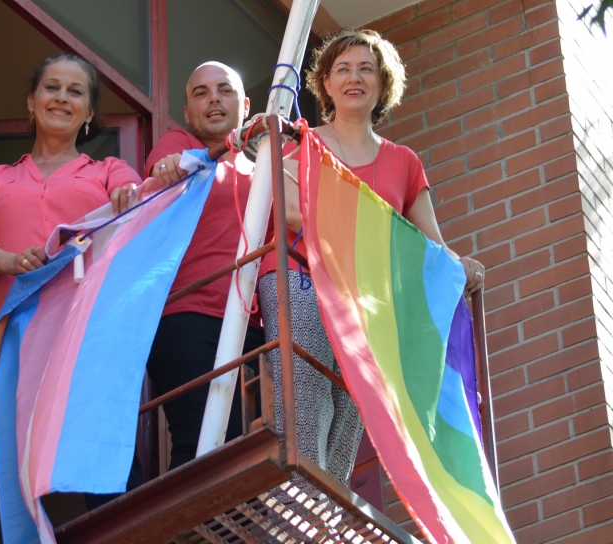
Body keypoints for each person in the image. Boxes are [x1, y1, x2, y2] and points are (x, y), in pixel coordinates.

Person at [258, 29, 486, 487]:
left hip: (368, 298)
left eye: (366, 69)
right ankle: (299, 507)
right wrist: (376, 233)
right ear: (324, 84)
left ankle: (323, 518)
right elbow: (288, 212)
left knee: (352, 410)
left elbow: (430, 243)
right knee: (306, 393)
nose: (354, 78)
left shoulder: (403, 161)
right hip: (305, 278)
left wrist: (459, 266)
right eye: (342, 69)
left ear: (383, 84)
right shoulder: (297, 145)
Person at [0, 53, 142, 543]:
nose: (62, 97)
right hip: (3, 318)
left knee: (94, 430)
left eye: (75, 92)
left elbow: (135, 204)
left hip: (78, 325)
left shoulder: (108, 170)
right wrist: (13, 261)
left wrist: (131, 198)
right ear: (31, 102)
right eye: (52, 88)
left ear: (88, 114)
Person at [144, 61, 265, 469]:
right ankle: (195, 535)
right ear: (189, 111)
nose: (213, 98)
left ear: (245, 105)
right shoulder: (178, 145)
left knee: (248, 454)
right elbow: (166, 174)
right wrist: (172, 165)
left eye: (224, 89)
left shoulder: (262, 170)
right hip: (186, 317)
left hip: (253, 325)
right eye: (201, 93)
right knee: (201, 444)